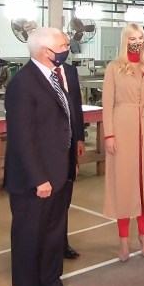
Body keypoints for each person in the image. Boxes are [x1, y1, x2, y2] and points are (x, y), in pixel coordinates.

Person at [4, 27, 81, 286]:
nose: (67, 47)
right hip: (34, 180)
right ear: (44, 51)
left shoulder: (55, 78)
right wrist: (40, 178)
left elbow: (64, 123)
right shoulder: (23, 84)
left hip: (58, 173)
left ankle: (51, 284)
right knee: (27, 237)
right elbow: (22, 138)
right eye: (62, 44)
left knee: (52, 235)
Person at [102, 23, 144, 262]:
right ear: (125, 40)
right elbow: (107, 103)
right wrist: (109, 135)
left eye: (140, 37)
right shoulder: (114, 68)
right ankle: (122, 242)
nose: (136, 41)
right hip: (122, 127)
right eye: (132, 37)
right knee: (124, 185)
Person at [57, 34, 86, 260]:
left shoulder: (70, 72)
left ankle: (62, 241)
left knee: (65, 197)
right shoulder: (35, 76)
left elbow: (76, 106)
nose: (66, 49)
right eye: (63, 45)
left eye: (67, 45)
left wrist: (79, 138)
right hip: (48, 147)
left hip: (68, 146)